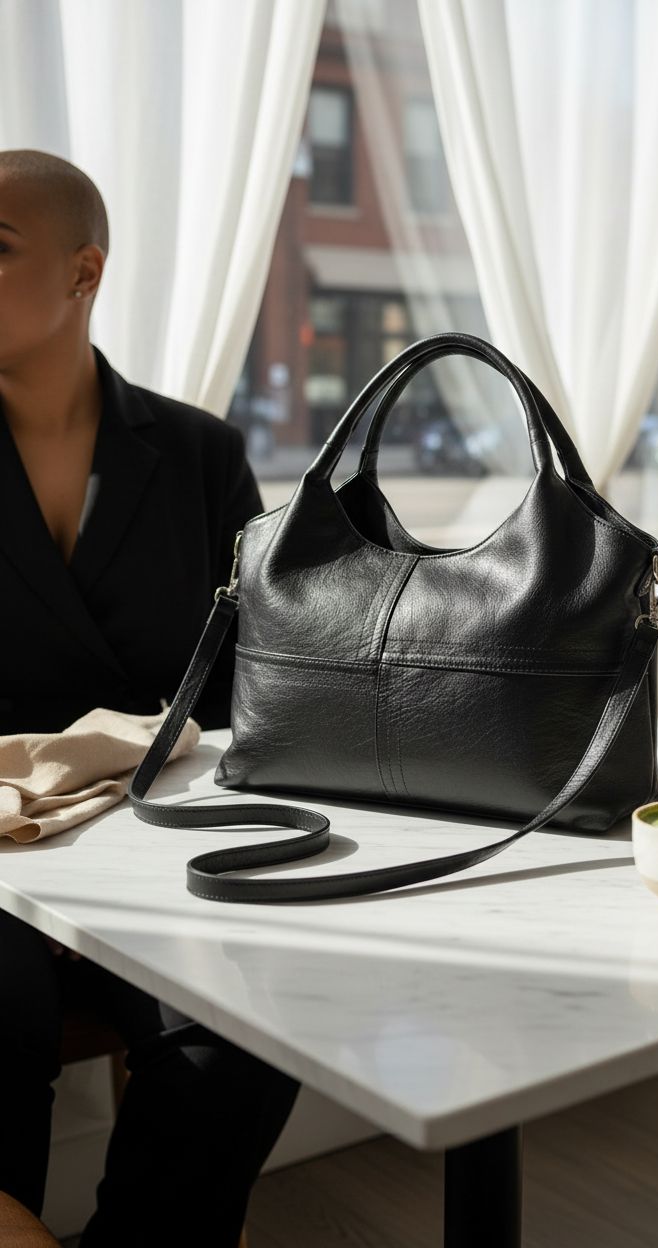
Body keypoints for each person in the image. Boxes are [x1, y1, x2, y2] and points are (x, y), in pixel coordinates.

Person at [0, 149, 299, 1246]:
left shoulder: (199, 454)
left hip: (161, 844)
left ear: (84, 275)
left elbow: (252, 688)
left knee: (247, 1028)